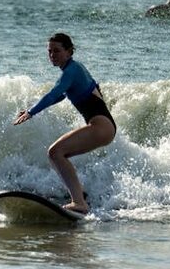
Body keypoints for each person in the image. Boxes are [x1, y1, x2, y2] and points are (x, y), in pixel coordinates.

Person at [14, 33, 116, 214]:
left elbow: (55, 92)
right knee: (57, 155)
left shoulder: (72, 70)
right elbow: (61, 95)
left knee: (56, 152)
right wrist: (32, 109)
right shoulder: (73, 69)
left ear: (69, 51)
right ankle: (80, 195)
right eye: (49, 51)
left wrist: (31, 112)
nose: (52, 55)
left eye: (57, 51)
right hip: (104, 126)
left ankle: (79, 202)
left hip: (101, 126)